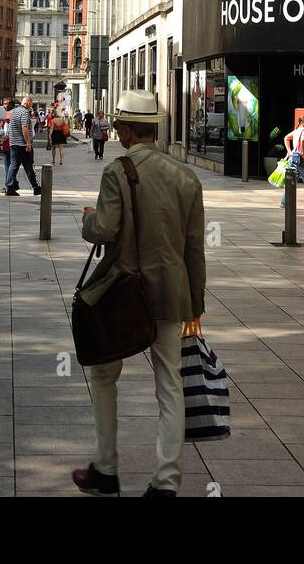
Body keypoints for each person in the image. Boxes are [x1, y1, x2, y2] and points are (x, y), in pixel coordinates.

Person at [71, 89, 206, 499]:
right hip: (170, 294)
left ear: (128, 131)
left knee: (104, 373)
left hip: (124, 291)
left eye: (118, 126)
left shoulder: (118, 170)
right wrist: (195, 306)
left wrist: (89, 221)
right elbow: (194, 248)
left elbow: (105, 230)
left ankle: (107, 468)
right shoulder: (187, 176)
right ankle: (166, 482)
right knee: (169, 384)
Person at [5, 96, 42, 196]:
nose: (31, 106)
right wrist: (28, 142)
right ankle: (36, 187)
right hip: (22, 144)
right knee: (29, 165)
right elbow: (24, 128)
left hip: (14, 143)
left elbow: (10, 128)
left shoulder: (14, 112)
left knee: (14, 165)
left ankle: (9, 187)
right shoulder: (24, 112)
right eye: (31, 104)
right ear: (28, 103)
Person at [279, 113, 304, 208]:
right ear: (301, 122)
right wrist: (302, 150)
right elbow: (303, 140)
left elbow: (286, 138)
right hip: (302, 159)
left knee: (290, 182)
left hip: (293, 158)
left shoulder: (296, 131)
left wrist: (290, 151)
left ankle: (283, 202)